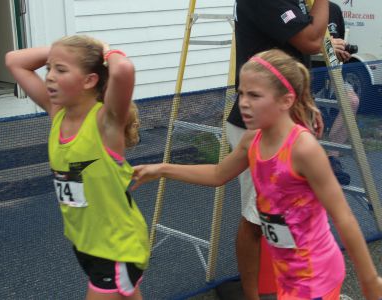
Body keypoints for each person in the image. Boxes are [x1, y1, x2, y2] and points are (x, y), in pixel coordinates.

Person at [131, 49, 382, 299]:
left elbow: (344, 217)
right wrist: (162, 169)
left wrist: (370, 280)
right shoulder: (253, 140)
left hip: (315, 275)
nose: (243, 103)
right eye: (241, 94)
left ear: (285, 100)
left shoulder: (303, 149)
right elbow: (218, 174)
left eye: (254, 95)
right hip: (288, 273)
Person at [5, 35, 149, 300]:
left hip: (116, 248)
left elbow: (123, 70)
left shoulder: (106, 122)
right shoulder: (57, 112)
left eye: (61, 70)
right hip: (86, 243)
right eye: (49, 68)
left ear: (89, 80)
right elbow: (14, 61)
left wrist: (104, 50)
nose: (49, 76)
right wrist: (64, 53)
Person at [227, 0, 329, 298]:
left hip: (285, 119)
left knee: (291, 211)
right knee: (257, 218)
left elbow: (291, 63)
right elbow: (310, 41)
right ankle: (253, 295)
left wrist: (306, 105)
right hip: (258, 126)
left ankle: (292, 286)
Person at [312, 0, 360, 185]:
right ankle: (309, 162)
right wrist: (326, 44)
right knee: (304, 113)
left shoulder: (334, 9)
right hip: (305, 74)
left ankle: (333, 157)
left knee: (352, 101)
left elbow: (338, 49)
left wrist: (341, 53)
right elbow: (300, 44)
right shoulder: (301, 8)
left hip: (331, 75)